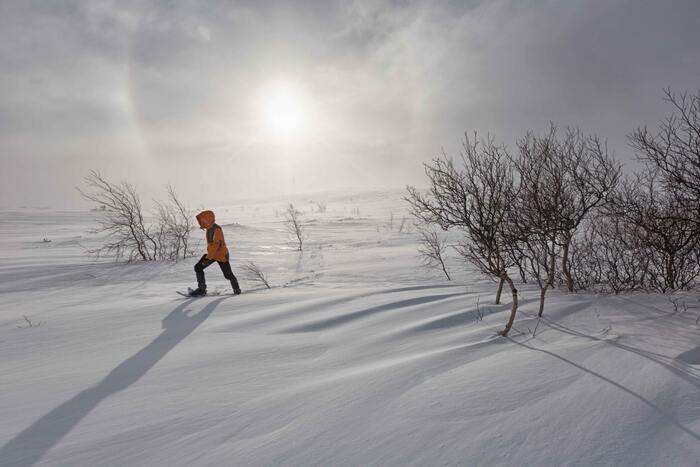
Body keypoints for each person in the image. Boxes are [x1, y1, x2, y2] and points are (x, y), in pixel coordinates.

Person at [189, 210, 241, 296]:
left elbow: (216, 246)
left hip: (221, 255)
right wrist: (209, 256)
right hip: (212, 255)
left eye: (203, 220)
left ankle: (237, 290)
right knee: (198, 267)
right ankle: (202, 289)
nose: (201, 222)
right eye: (201, 221)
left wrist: (208, 258)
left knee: (228, 275)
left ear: (208, 219)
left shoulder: (216, 230)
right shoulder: (209, 229)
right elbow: (212, 247)